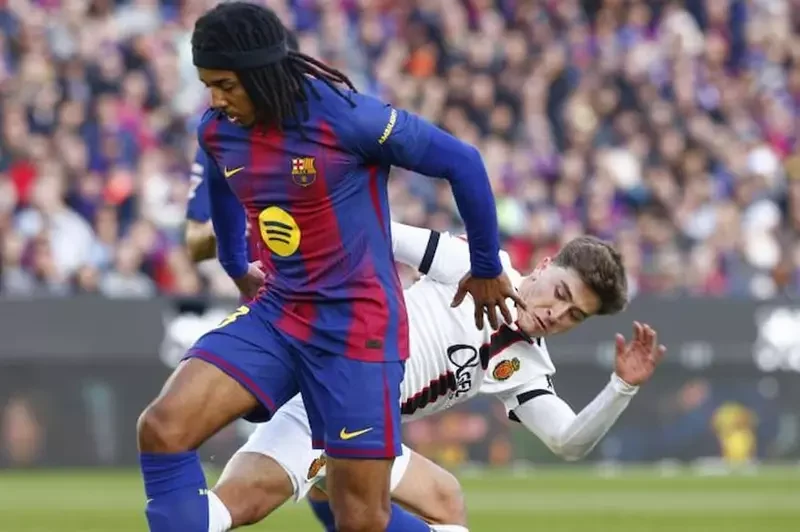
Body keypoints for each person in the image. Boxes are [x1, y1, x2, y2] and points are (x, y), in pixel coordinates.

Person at [137, 3, 523, 532]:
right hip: (280, 313)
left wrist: (485, 265)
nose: (215, 99)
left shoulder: (347, 117)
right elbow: (225, 187)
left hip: (357, 330)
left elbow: (462, 162)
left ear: (261, 73)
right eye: (208, 85)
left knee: (359, 519)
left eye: (225, 85)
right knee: (163, 428)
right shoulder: (218, 130)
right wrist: (234, 262)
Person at [202, 222, 666, 531]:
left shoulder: (527, 367)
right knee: (224, 511)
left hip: (359, 425)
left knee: (442, 500)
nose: (556, 314)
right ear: (544, 266)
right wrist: (276, 255)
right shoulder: (476, 263)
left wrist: (621, 387)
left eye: (575, 315)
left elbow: (567, 441)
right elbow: (376, 230)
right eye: (560, 293)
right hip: (327, 392)